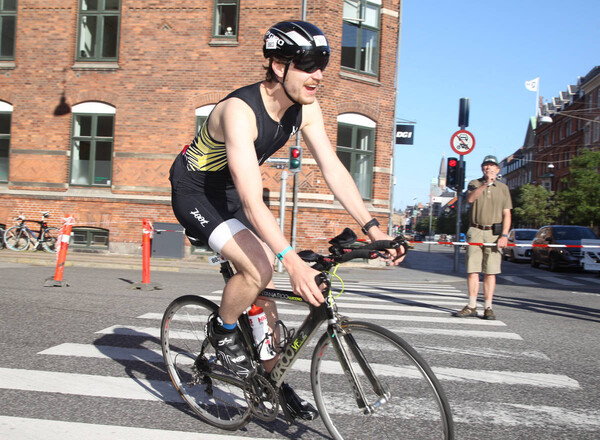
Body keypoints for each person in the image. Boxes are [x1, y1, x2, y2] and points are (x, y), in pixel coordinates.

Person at [169, 21, 405, 420]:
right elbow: (251, 197)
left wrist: (373, 227)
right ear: (279, 66)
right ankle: (222, 331)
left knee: (265, 298)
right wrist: (292, 260)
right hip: (196, 193)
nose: (318, 74)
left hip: (229, 193)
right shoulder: (240, 111)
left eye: (323, 63)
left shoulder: (305, 110)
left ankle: (270, 381)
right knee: (260, 266)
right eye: (309, 64)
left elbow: (333, 168)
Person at [454, 155, 512, 320]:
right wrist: (486, 183)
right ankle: (472, 305)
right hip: (476, 230)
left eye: (492, 166)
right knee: (473, 269)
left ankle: (488, 307)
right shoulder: (475, 183)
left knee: (490, 271)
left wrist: (505, 235)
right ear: (482, 169)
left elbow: (507, 214)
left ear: (498, 169)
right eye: (486, 166)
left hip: (494, 233)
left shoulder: (503, 188)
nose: (489, 168)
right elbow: (471, 199)